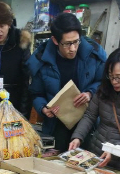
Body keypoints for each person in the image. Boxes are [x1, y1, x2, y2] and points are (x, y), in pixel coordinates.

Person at [27, 12, 107, 151]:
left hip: (87, 124)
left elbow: (103, 82)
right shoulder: (42, 60)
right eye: (67, 44)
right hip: (56, 126)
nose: (73, 48)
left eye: (76, 41)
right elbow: (36, 93)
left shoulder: (93, 55)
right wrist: (43, 108)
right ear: (55, 40)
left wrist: (90, 93)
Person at [69, 47, 120, 171]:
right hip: (97, 153)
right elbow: (90, 116)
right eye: (111, 76)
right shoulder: (104, 88)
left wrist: (114, 150)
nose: (114, 82)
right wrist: (77, 137)